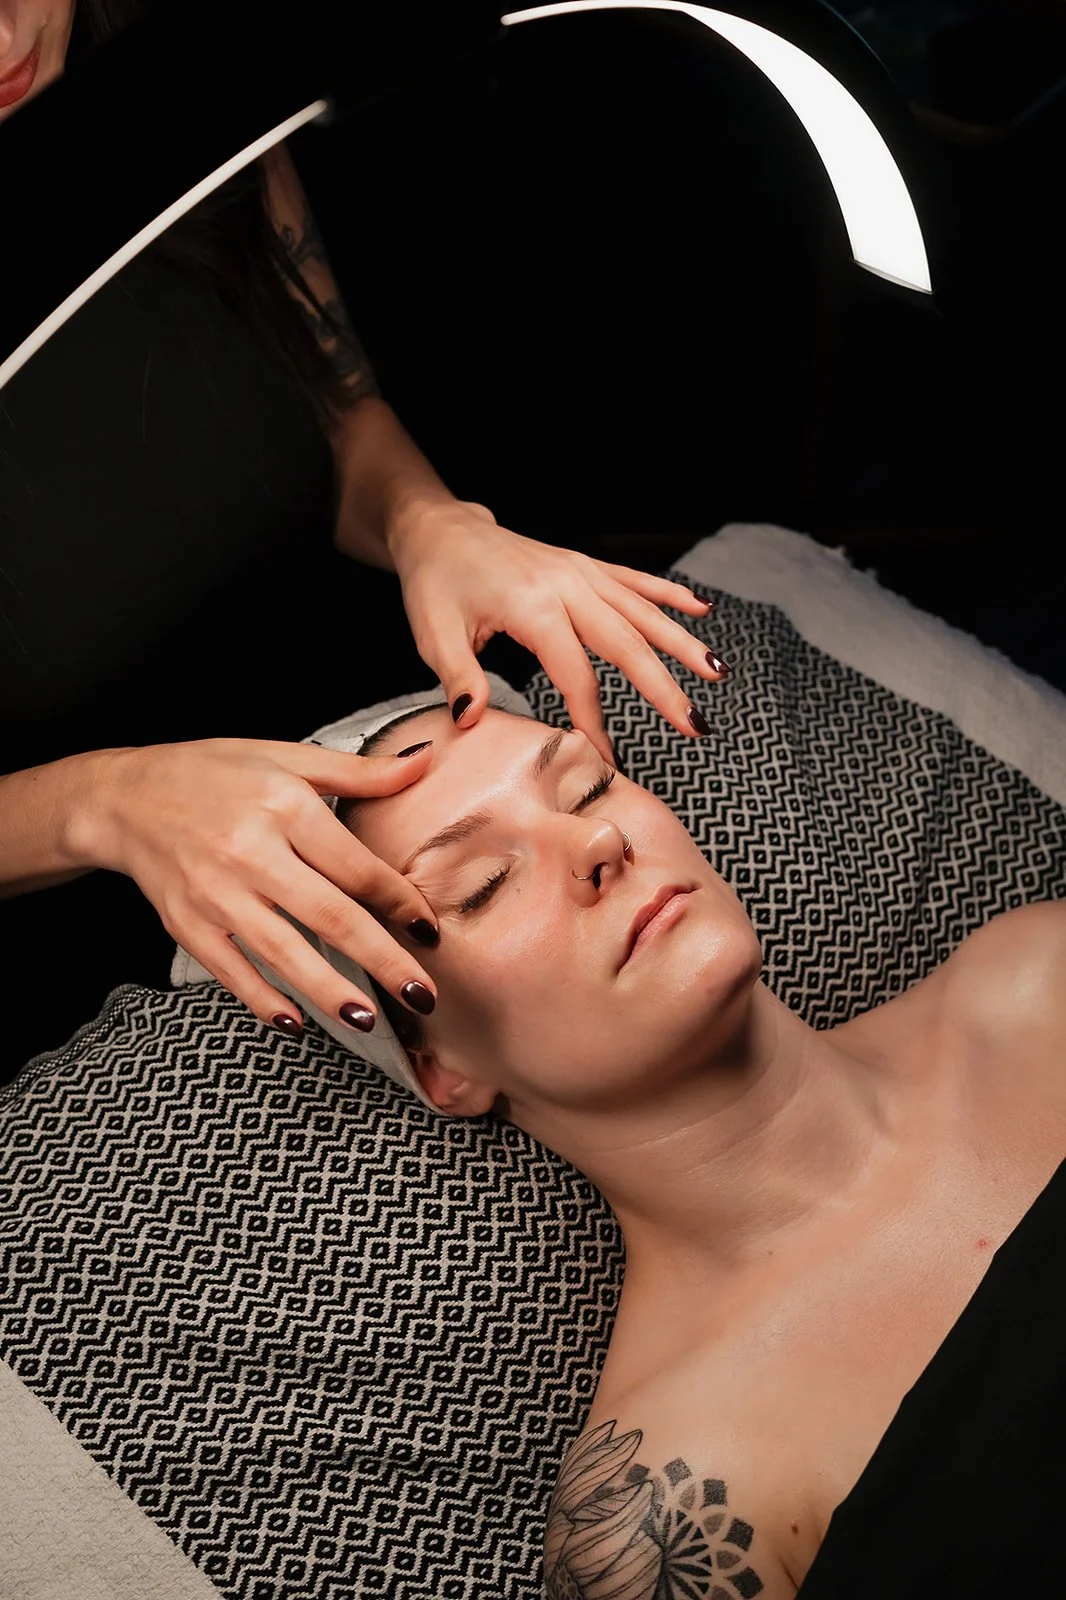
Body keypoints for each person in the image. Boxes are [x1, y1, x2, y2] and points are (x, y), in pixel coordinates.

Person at [0, 0, 728, 1073]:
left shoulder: (176, 99)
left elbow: (336, 413)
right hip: (79, 925)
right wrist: (101, 804)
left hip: (366, 715)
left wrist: (428, 518)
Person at [331, 695, 1066, 1597]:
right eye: (481, 882)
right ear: (436, 1062)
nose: (596, 844)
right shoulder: (662, 1513)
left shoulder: (1042, 980)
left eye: (589, 787)